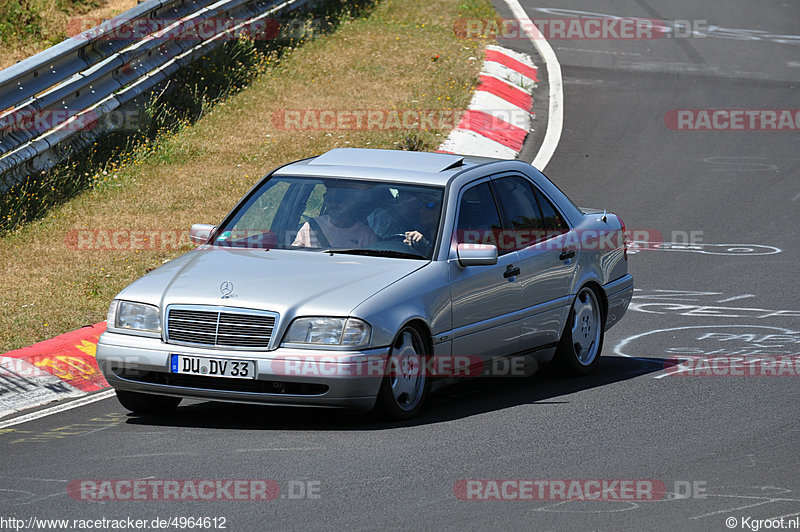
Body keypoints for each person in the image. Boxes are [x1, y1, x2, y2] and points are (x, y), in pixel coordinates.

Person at [292, 186, 378, 248]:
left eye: (339, 201)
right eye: (329, 199)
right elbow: (293, 256)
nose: (332, 205)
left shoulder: (366, 235)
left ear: (353, 202)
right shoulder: (311, 226)